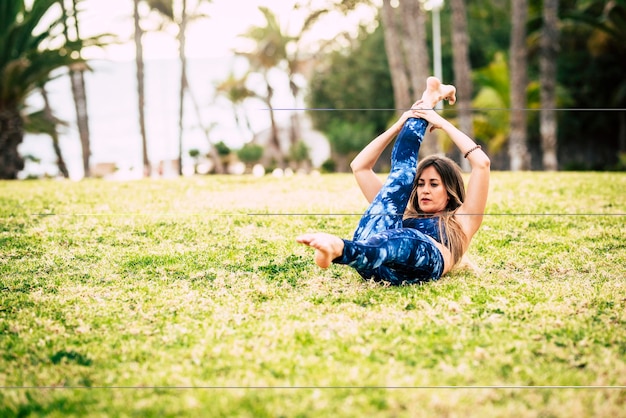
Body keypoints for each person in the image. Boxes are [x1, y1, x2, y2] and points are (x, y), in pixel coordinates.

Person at [296, 77, 490, 285]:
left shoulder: (463, 219)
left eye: (434, 184)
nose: (424, 190)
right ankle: (428, 99)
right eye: (421, 184)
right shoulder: (405, 211)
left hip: (421, 263)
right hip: (375, 268)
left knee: (399, 240)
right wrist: (399, 125)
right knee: (402, 176)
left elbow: (482, 163)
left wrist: (441, 123)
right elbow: (359, 166)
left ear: (450, 190)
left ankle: (339, 249)